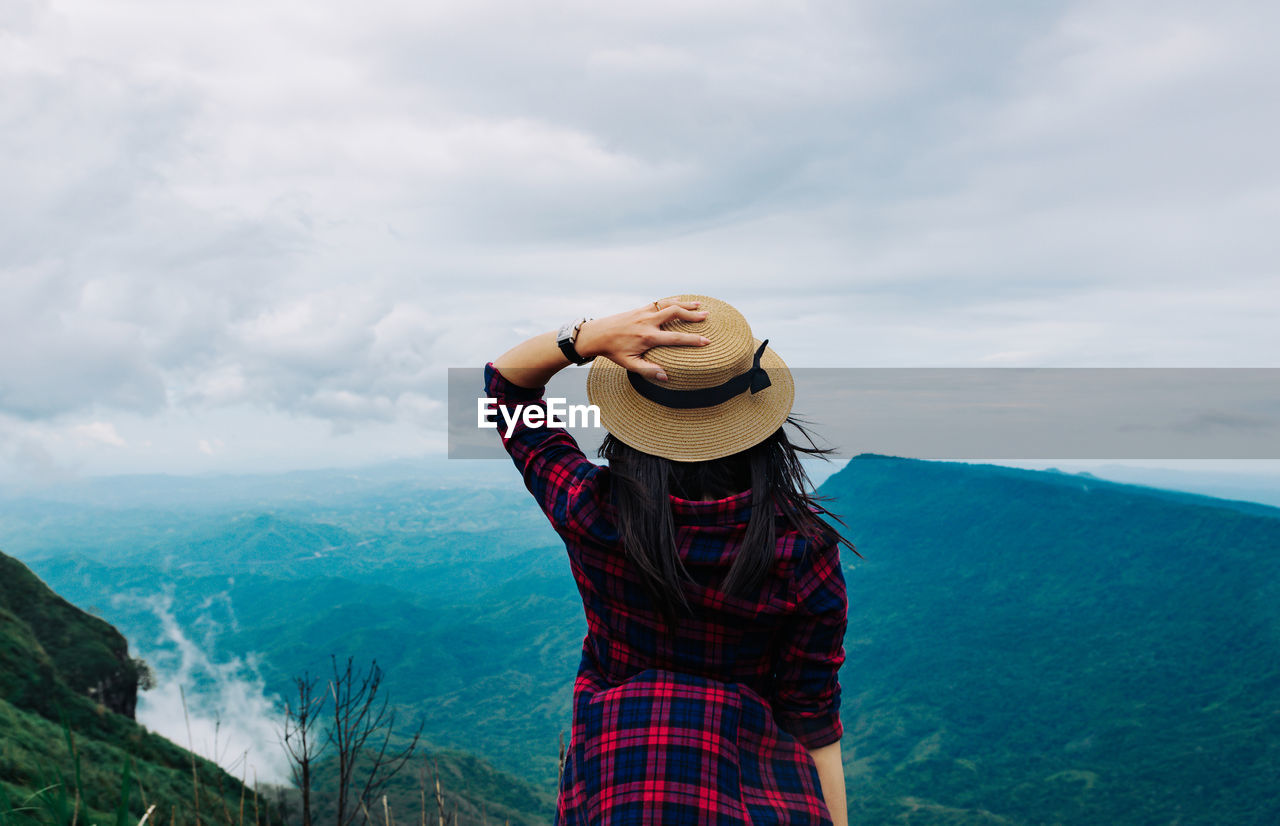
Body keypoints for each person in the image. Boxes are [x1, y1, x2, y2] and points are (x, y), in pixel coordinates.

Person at [486, 294, 857, 826]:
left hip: (617, 794)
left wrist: (585, 339)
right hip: (761, 803)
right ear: (758, 424)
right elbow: (811, 719)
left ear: (632, 420)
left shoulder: (591, 512)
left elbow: (504, 388)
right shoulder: (802, 550)